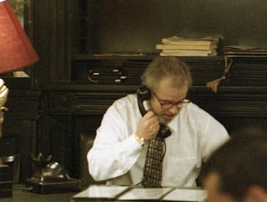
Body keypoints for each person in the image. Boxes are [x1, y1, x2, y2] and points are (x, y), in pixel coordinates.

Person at [87, 56, 229, 187]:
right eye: (166, 103)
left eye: (180, 102)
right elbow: (97, 169)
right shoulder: (121, 113)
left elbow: (232, 164)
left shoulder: (196, 119)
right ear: (147, 93)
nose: (174, 110)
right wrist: (137, 139)